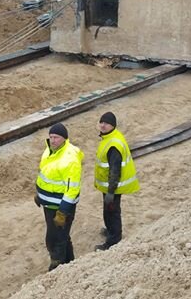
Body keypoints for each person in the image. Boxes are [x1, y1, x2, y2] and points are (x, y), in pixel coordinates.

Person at [34, 122, 83, 271]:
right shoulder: (49, 150)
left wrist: (63, 212)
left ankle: (57, 268)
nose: (53, 140)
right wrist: (39, 196)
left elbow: (72, 189)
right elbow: (45, 174)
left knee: (56, 240)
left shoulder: (70, 159)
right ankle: (70, 263)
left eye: (56, 137)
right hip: (49, 205)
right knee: (61, 237)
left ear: (64, 139)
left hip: (61, 207)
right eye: (51, 137)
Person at [94, 111, 139, 251]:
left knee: (112, 211)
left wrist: (111, 192)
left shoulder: (113, 145)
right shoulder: (110, 137)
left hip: (113, 187)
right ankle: (110, 231)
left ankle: (114, 240)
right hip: (108, 186)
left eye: (106, 123)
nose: (103, 125)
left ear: (112, 125)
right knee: (108, 211)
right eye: (101, 122)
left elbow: (115, 170)